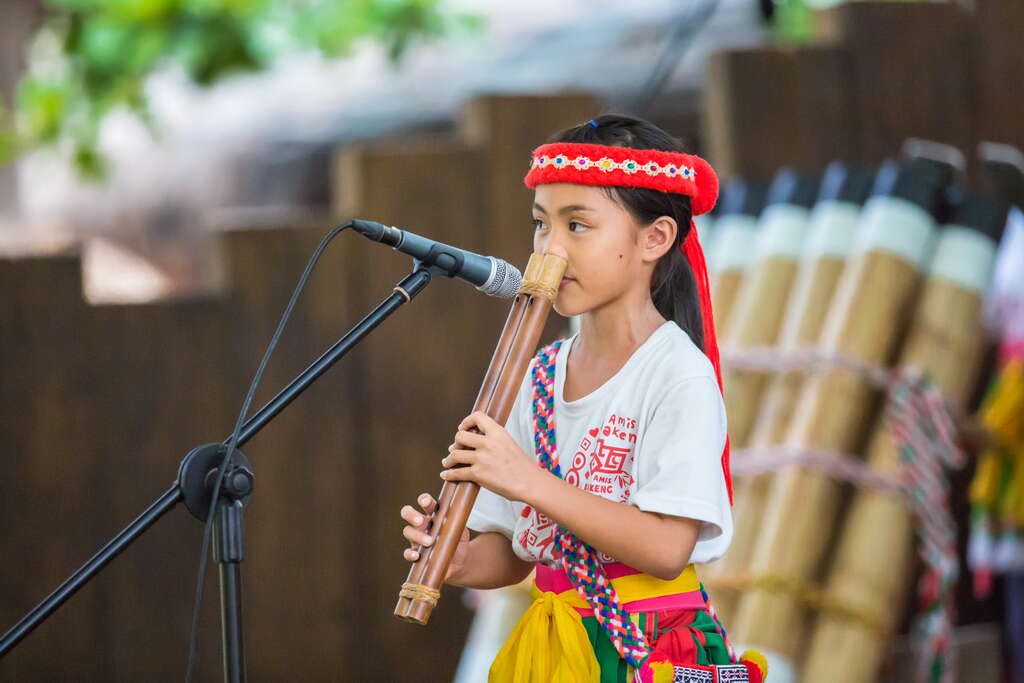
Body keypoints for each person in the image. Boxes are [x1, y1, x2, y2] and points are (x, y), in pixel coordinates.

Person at [399, 114, 767, 683]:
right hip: (556, 646)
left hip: (651, 646)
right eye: (541, 225)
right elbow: (520, 552)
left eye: (578, 226)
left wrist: (526, 480)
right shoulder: (539, 375)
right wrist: (456, 558)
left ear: (655, 238)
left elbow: (669, 547)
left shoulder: (677, 375)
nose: (551, 248)